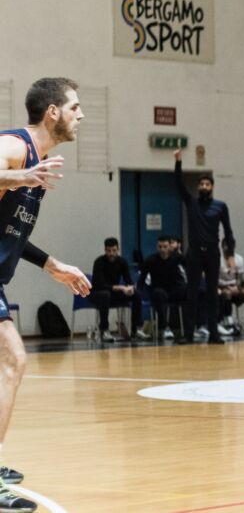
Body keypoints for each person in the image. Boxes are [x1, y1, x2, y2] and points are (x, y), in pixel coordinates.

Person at [0, 77, 93, 511]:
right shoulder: (16, 147)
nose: (82, 115)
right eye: (75, 107)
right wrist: (18, 174)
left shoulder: (39, 165)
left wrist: (50, 264)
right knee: (12, 360)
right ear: (52, 111)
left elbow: (10, 232)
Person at [174, 148, 234, 345]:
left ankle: (214, 334)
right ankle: (189, 334)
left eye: (207, 184)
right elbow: (178, 184)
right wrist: (178, 162)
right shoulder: (191, 203)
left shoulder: (221, 206)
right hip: (194, 255)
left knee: (212, 295)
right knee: (191, 294)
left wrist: (230, 254)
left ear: (212, 186)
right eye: (201, 184)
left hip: (212, 254)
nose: (203, 186)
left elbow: (228, 231)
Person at [89, 237, 148, 342]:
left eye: (114, 250)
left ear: (118, 249)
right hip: (97, 293)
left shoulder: (122, 262)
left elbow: (128, 280)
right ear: (105, 250)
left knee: (136, 294)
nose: (111, 253)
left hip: (114, 294)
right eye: (109, 251)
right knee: (105, 295)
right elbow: (100, 284)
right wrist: (121, 287)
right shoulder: (99, 262)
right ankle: (104, 330)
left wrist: (130, 287)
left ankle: (136, 329)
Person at [137, 235, 188, 341]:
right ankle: (165, 328)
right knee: (158, 294)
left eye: (165, 247)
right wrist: (138, 292)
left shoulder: (177, 257)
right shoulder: (150, 260)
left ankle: (194, 327)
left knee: (191, 291)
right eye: (160, 247)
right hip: (160, 291)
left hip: (175, 290)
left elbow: (190, 267)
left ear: (170, 246)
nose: (162, 250)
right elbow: (141, 280)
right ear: (157, 247)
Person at [217, 239, 244, 336]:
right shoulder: (217, 259)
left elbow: (239, 278)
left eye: (230, 246)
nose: (228, 248)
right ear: (222, 247)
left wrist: (237, 287)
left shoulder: (239, 259)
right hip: (222, 286)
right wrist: (225, 286)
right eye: (226, 245)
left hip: (235, 286)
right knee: (227, 293)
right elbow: (213, 278)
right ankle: (229, 322)